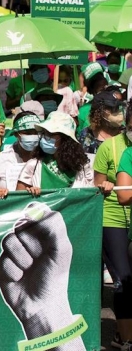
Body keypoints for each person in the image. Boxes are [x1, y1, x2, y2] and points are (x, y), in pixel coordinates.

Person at [16, 112, 93, 193]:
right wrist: (30, 193)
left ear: (65, 138)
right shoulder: (33, 165)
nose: (45, 137)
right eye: (44, 133)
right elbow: (19, 199)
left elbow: (91, 197)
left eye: (50, 134)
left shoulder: (83, 168)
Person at [106, 125, 132, 349]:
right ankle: (126, 339)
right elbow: (123, 194)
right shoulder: (128, 154)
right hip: (113, 221)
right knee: (125, 280)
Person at [0, 112, 41, 190]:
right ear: (16, 134)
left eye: (36, 133)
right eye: (27, 133)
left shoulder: (46, 159)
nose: (32, 136)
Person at [77, 90, 123, 155]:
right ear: (100, 113)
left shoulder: (125, 133)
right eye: (114, 109)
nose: (119, 112)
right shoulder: (86, 136)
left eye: (118, 107)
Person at [78, 62, 110, 131]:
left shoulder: (116, 107)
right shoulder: (84, 111)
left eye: (106, 87)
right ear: (92, 90)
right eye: (101, 89)